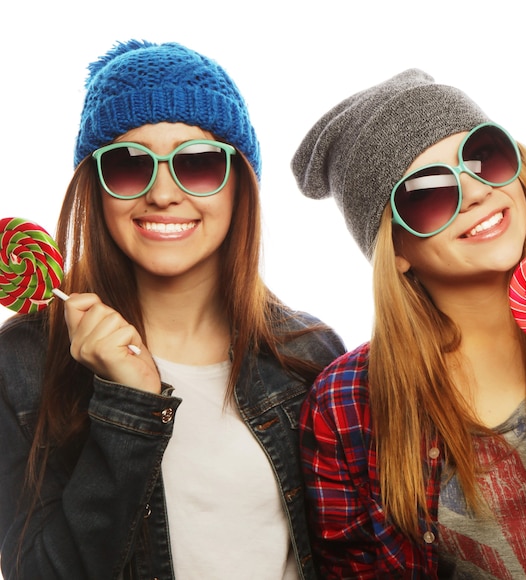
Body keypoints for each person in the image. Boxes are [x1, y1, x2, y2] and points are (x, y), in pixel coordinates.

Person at [0, 40, 345, 580]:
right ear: (96, 186)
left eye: (199, 164)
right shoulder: (22, 361)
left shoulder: (311, 353)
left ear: (239, 184)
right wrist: (128, 406)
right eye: (129, 166)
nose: (163, 193)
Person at [291, 69, 526, 578]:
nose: (474, 193)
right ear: (395, 249)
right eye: (427, 193)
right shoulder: (343, 407)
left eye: (483, 155)